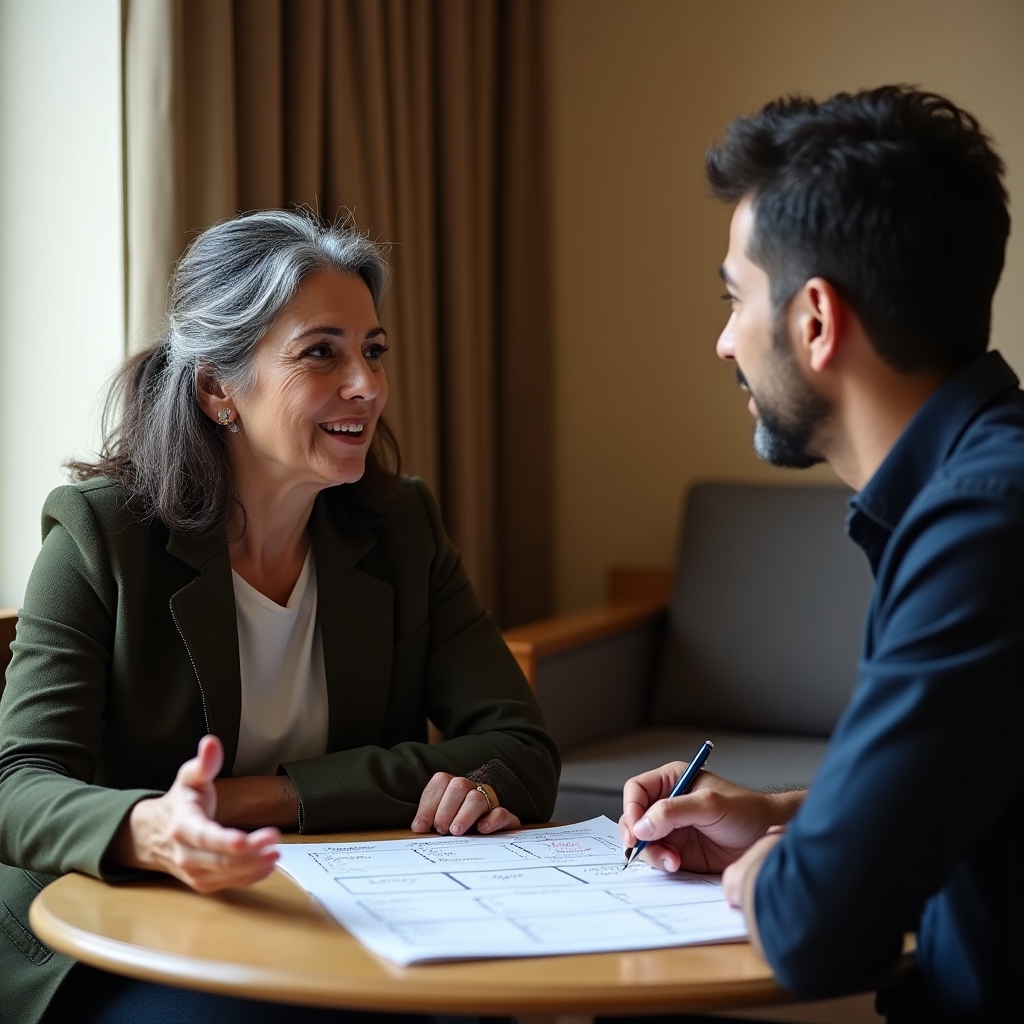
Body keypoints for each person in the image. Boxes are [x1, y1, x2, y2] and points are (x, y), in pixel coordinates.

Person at [0, 210, 559, 1024]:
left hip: (334, 919)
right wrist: (149, 825)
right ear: (217, 388)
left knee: (487, 1000)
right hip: (120, 928)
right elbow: (19, 788)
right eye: (320, 353)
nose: (366, 386)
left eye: (372, 350)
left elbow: (521, 751)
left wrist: (258, 799)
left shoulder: (402, 525)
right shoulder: (100, 536)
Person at [618, 86, 1022, 1023]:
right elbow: (978, 787)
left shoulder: (981, 526)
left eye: (734, 299)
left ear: (814, 320)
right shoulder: (982, 485)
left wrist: (781, 872)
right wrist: (788, 820)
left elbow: (817, 929)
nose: (724, 343)